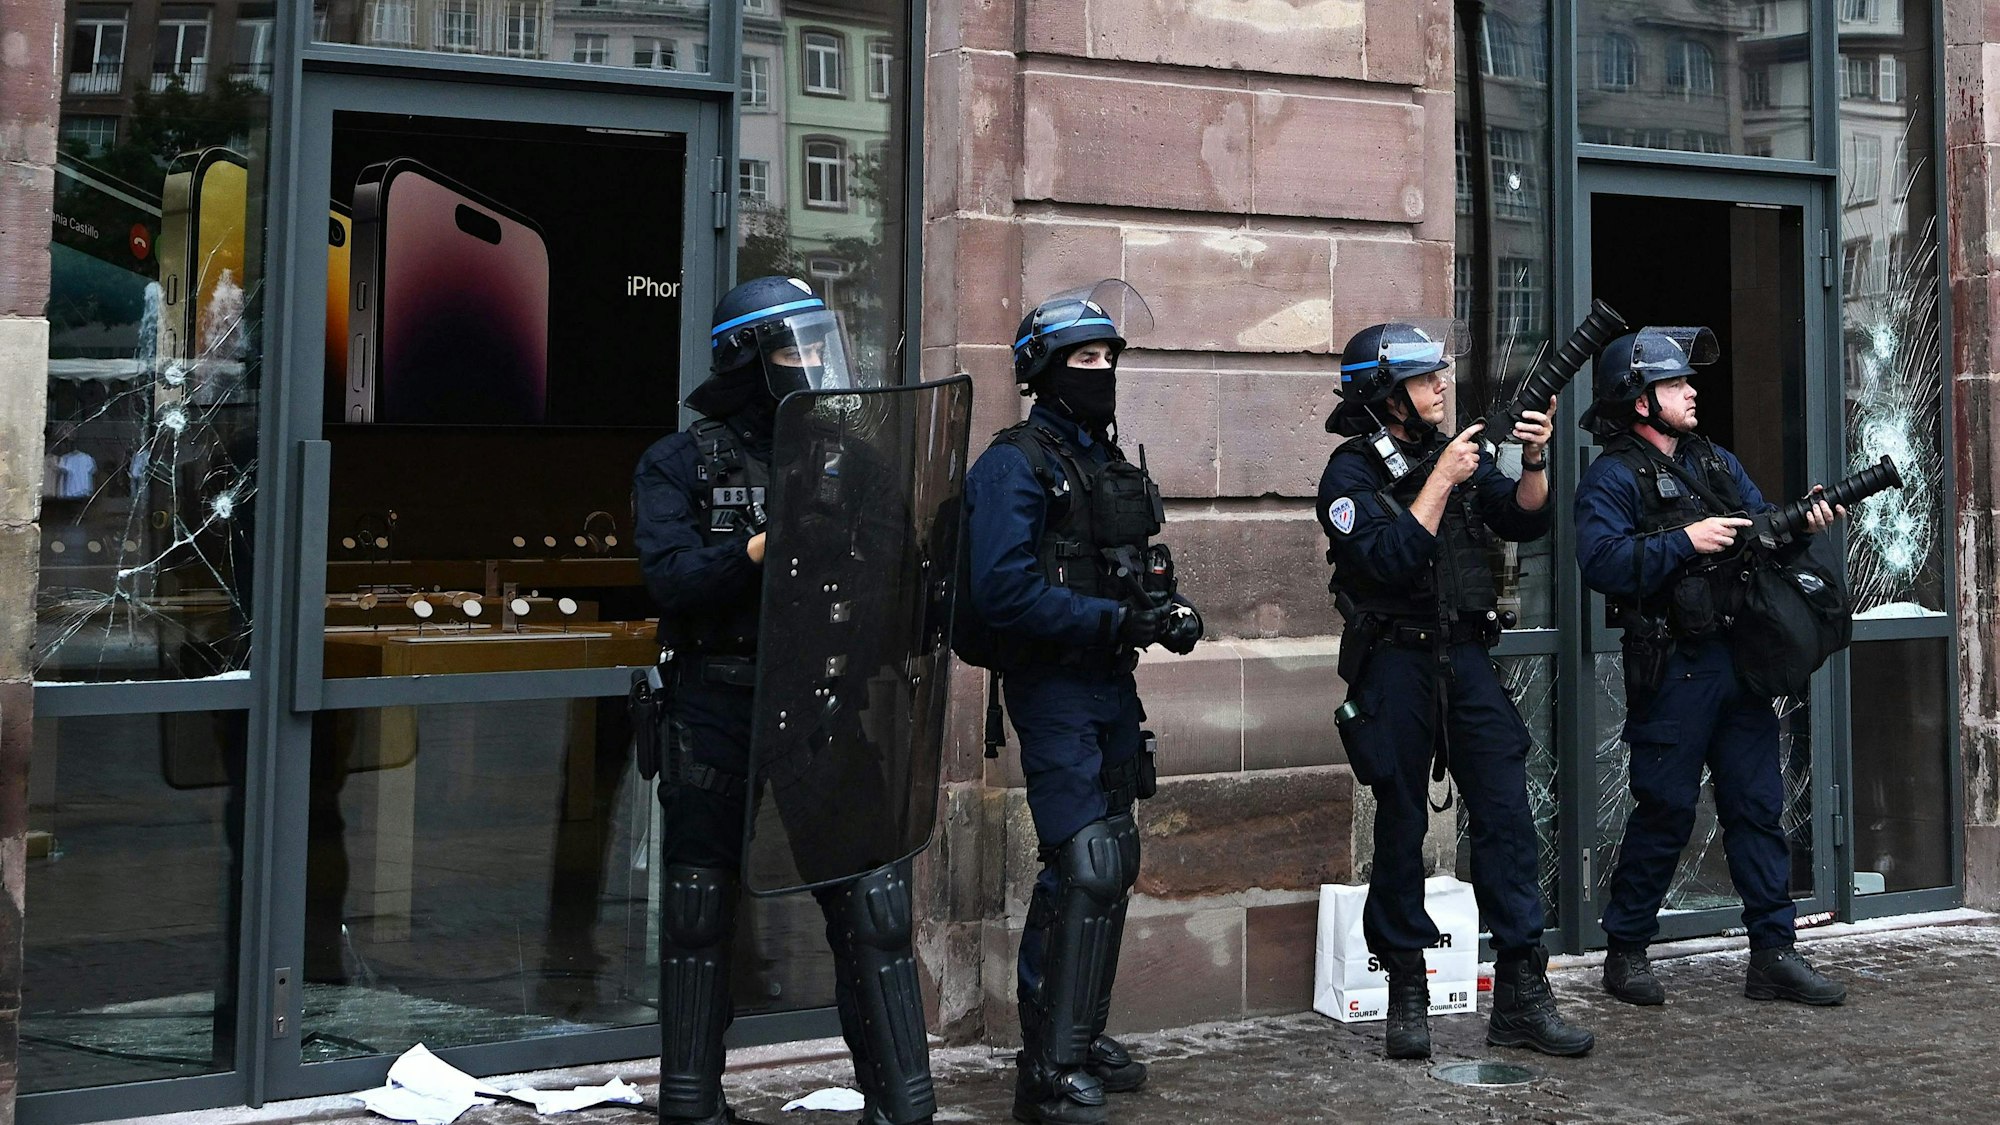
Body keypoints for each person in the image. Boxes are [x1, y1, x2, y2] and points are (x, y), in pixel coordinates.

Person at [632, 276, 935, 1125]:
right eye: (789, 348)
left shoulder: (850, 459)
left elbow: (897, 572)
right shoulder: (679, 462)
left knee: (871, 903)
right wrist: (760, 550)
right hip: (716, 706)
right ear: (744, 357)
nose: (808, 364)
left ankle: (902, 1103)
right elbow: (670, 577)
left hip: (820, 709)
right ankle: (692, 1103)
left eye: (814, 345)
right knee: (698, 908)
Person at [1317, 321, 1593, 1061]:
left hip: (1465, 657)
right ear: (1385, 394)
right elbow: (1390, 555)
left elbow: (1523, 515)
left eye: (1440, 374)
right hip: (1396, 662)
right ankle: (1407, 989)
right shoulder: (1349, 476)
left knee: (1506, 811)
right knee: (1402, 823)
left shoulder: (1455, 455)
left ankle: (1522, 993)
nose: (1443, 385)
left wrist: (1534, 456)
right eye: (1424, 377)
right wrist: (1440, 480)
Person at [960, 283, 1202, 1125]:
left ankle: (1079, 1031)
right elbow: (1001, 594)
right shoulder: (1011, 464)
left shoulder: (1104, 463)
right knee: (1084, 862)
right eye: (1082, 360)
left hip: (1109, 683)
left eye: (1106, 359)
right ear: (1044, 370)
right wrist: (1113, 617)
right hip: (1052, 684)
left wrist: (1164, 614)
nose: (1099, 373)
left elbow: (1129, 569)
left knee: (1112, 863)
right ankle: (1046, 1069)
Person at [1574, 327, 1847, 1008]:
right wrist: (1681, 541)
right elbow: (1600, 560)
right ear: (1639, 400)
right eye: (1676, 383)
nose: (1692, 391)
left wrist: (1803, 523)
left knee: (1758, 807)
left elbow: (1759, 530)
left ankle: (1774, 954)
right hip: (1674, 669)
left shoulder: (1715, 462)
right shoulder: (1612, 475)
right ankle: (1628, 949)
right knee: (1665, 809)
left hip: (1738, 662)